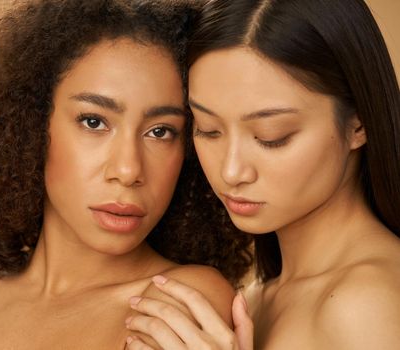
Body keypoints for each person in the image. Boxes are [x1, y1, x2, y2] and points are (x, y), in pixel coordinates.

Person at [0, 0, 254, 349]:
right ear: (30, 125)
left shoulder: (178, 299)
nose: (128, 170)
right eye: (94, 122)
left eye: (160, 131)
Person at [125, 0, 400, 349]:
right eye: (208, 129)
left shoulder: (368, 304)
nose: (231, 171)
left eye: (271, 137)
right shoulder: (255, 298)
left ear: (358, 121)